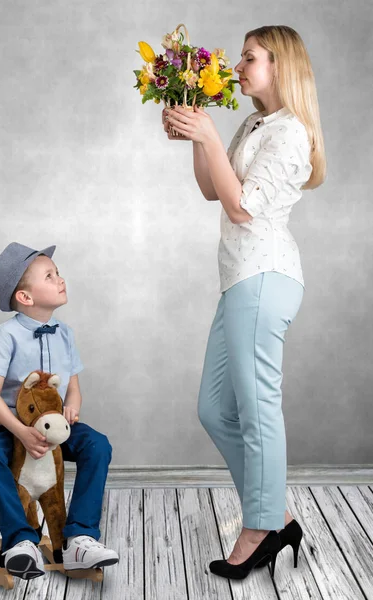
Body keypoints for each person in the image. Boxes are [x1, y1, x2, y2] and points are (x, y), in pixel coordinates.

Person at [164, 25, 326, 580]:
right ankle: (275, 513)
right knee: (216, 409)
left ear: (280, 65)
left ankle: (260, 527)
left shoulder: (292, 133)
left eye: (250, 57)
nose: (238, 64)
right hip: (240, 281)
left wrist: (209, 135)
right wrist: (196, 136)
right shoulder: (253, 122)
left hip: (264, 276)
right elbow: (214, 189)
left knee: (259, 411)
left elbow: (243, 209)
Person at [0, 242, 119, 579]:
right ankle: (20, 540)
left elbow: (74, 387)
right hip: (9, 425)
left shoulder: (65, 333)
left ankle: (79, 537)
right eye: (50, 275)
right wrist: (21, 432)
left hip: (54, 427)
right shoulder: (6, 335)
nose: (60, 278)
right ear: (25, 297)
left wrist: (72, 408)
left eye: (58, 272)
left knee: (98, 445)